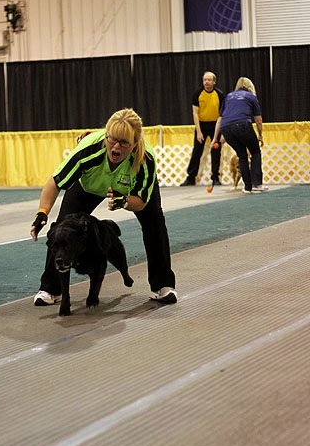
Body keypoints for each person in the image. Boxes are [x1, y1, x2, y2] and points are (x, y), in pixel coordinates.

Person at [30, 108, 177, 306]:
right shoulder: (89, 150)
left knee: (155, 224)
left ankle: (162, 285)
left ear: (134, 144)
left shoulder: (145, 160)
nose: (116, 148)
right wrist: (42, 212)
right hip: (88, 185)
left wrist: (124, 201)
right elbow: (54, 183)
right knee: (62, 229)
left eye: (124, 143)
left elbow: (141, 203)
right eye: (112, 140)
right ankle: (50, 287)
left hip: (129, 192)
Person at [211, 76, 268, 194]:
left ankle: (247, 187)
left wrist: (215, 138)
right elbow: (258, 119)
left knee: (242, 155)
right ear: (250, 86)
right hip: (242, 125)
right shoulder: (251, 97)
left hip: (226, 129)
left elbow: (220, 119)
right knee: (255, 152)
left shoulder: (228, 96)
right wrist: (260, 135)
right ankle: (257, 184)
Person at [180, 71, 225, 186]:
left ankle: (215, 177)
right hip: (202, 125)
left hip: (216, 125)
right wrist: (199, 132)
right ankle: (191, 178)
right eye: (205, 80)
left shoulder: (219, 94)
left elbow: (223, 114)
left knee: (216, 151)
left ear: (214, 82)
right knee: (197, 151)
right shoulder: (197, 94)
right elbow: (195, 113)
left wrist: (222, 132)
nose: (207, 82)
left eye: (209, 80)